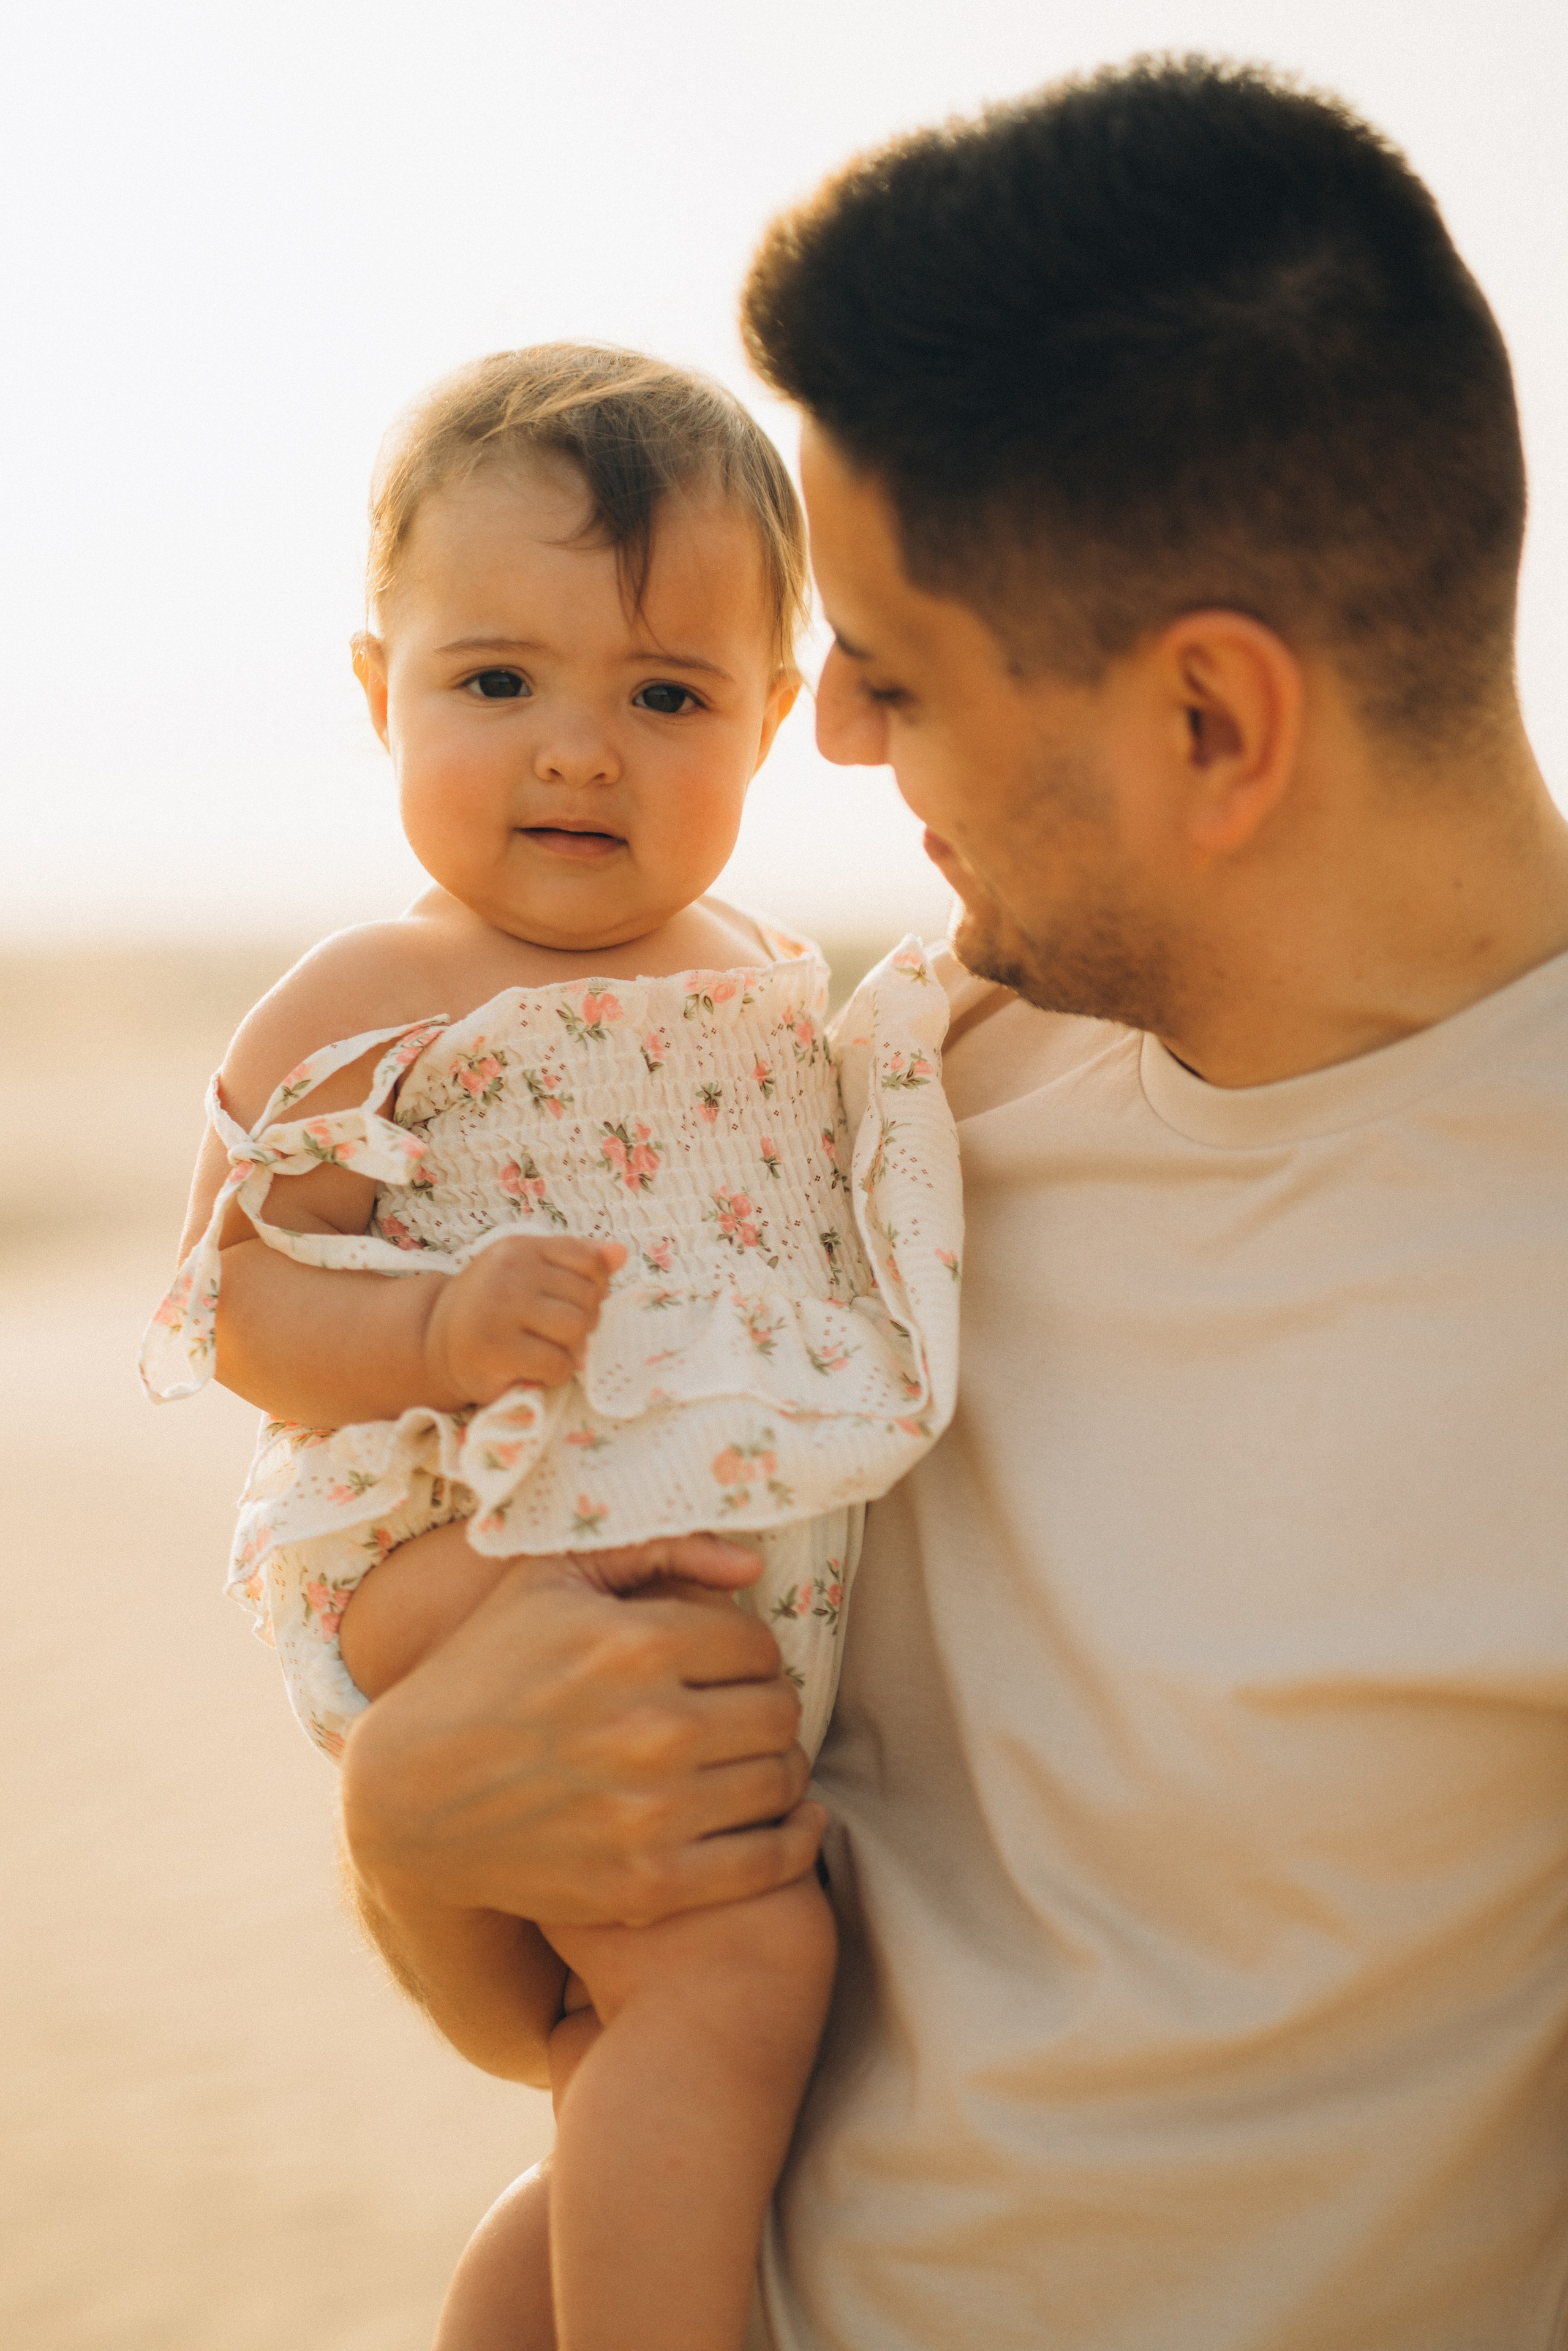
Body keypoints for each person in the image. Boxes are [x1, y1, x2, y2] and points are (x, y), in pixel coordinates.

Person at [335, 57, 1568, 2350]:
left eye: (890, 676)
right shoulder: (886, 1100)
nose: (833, 750)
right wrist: (412, 1833)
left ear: (1216, 724)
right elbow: (595, 1967)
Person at [140, 344, 963, 2351]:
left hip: (667, 1585)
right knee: (735, 1978)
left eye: (664, 695)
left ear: (771, 720)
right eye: (498, 683)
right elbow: (231, 1308)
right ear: (379, 694)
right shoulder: (370, 999)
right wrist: (427, 1324)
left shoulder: (770, 982)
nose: (578, 751)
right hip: (457, 1566)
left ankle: (532, 2303)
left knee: (681, 2036)